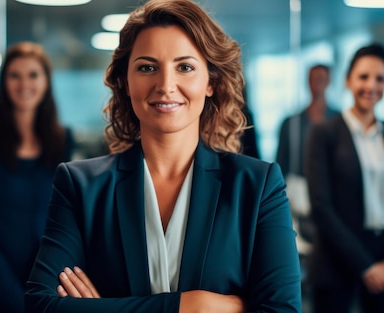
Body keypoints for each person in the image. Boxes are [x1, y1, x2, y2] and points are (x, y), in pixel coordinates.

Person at [24, 0, 302, 312]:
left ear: (210, 82)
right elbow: (41, 306)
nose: (166, 85)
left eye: (185, 67)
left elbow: (282, 309)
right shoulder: (80, 186)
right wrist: (190, 306)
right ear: (125, 82)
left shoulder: (257, 185)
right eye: (147, 67)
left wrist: (108, 308)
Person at [0, 41, 75, 313]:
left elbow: (63, 218)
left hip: (47, 281)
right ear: (3, 82)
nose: (24, 84)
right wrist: (15, 297)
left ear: (46, 81)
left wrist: (46, 285)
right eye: (15, 75)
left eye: (33, 74)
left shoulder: (61, 140)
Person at [304, 43, 384, 313]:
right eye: (363, 76)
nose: (371, 85)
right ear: (348, 80)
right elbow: (321, 207)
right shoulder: (324, 133)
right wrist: (366, 266)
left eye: (379, 78)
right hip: (338, 258)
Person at [275, 64, 339, 251]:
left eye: (321, 78)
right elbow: (281, 163)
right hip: (299, 192)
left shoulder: (339, 121)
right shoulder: (292, 122)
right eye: (313, 79)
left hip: (332, 191)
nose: (317, 83)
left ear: (328, 82)